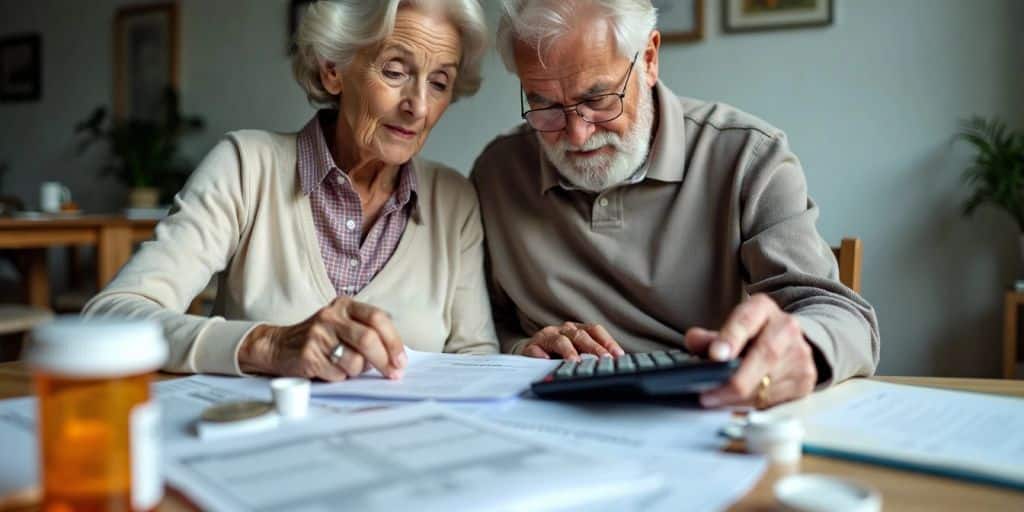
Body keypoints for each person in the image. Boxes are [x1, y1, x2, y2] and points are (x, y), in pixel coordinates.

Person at [471, 0, 880, 408]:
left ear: (648, 59)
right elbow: (486, 324)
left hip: (710, 411)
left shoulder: (748, 157)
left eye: (598, 99)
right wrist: (523, 346)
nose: (577, 135)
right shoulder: (497, 173)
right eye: (545, 104)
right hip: (553, 420)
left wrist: (801, 346)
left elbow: (841, 315)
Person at [85, 0, 497, 380]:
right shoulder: (246, 166)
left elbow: (476, 360)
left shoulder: (454, 200)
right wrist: (267, 344)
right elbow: (110, 317)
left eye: (440, 82)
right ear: (332, 70)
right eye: (394, 71)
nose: (419, 107)